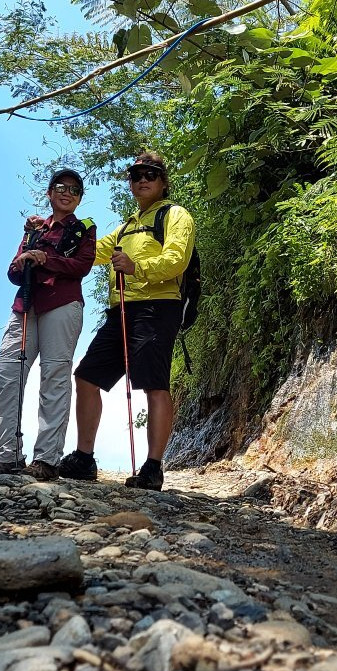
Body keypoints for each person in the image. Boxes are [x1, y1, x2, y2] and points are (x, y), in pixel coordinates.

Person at [59, 152, 194, 491]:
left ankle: (152, 467)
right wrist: (54, 230)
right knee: (87, 376)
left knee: (153, 383)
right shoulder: (126, 227)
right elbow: (88, 252)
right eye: (136, 175)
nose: (142, 180)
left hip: (158, 308)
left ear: (163, 182)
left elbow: (177, 260)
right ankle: (84, 458)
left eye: (150, 174)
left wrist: (137, 267)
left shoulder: (175, 215)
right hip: (120, 311)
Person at [0, 169, 96, 480]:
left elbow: (81, 266)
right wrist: (24, 260)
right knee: (7, 373)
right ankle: (7, 456)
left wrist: (45, 259)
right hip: (25, 305)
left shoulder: (84, 228)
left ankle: (46, 460)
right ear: (49, 192)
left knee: (54, 376)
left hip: (63, 303)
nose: (66, 193)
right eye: (60, 187)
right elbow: (14, 273)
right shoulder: (34, 229)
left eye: (74, 189)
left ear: (80, 197)